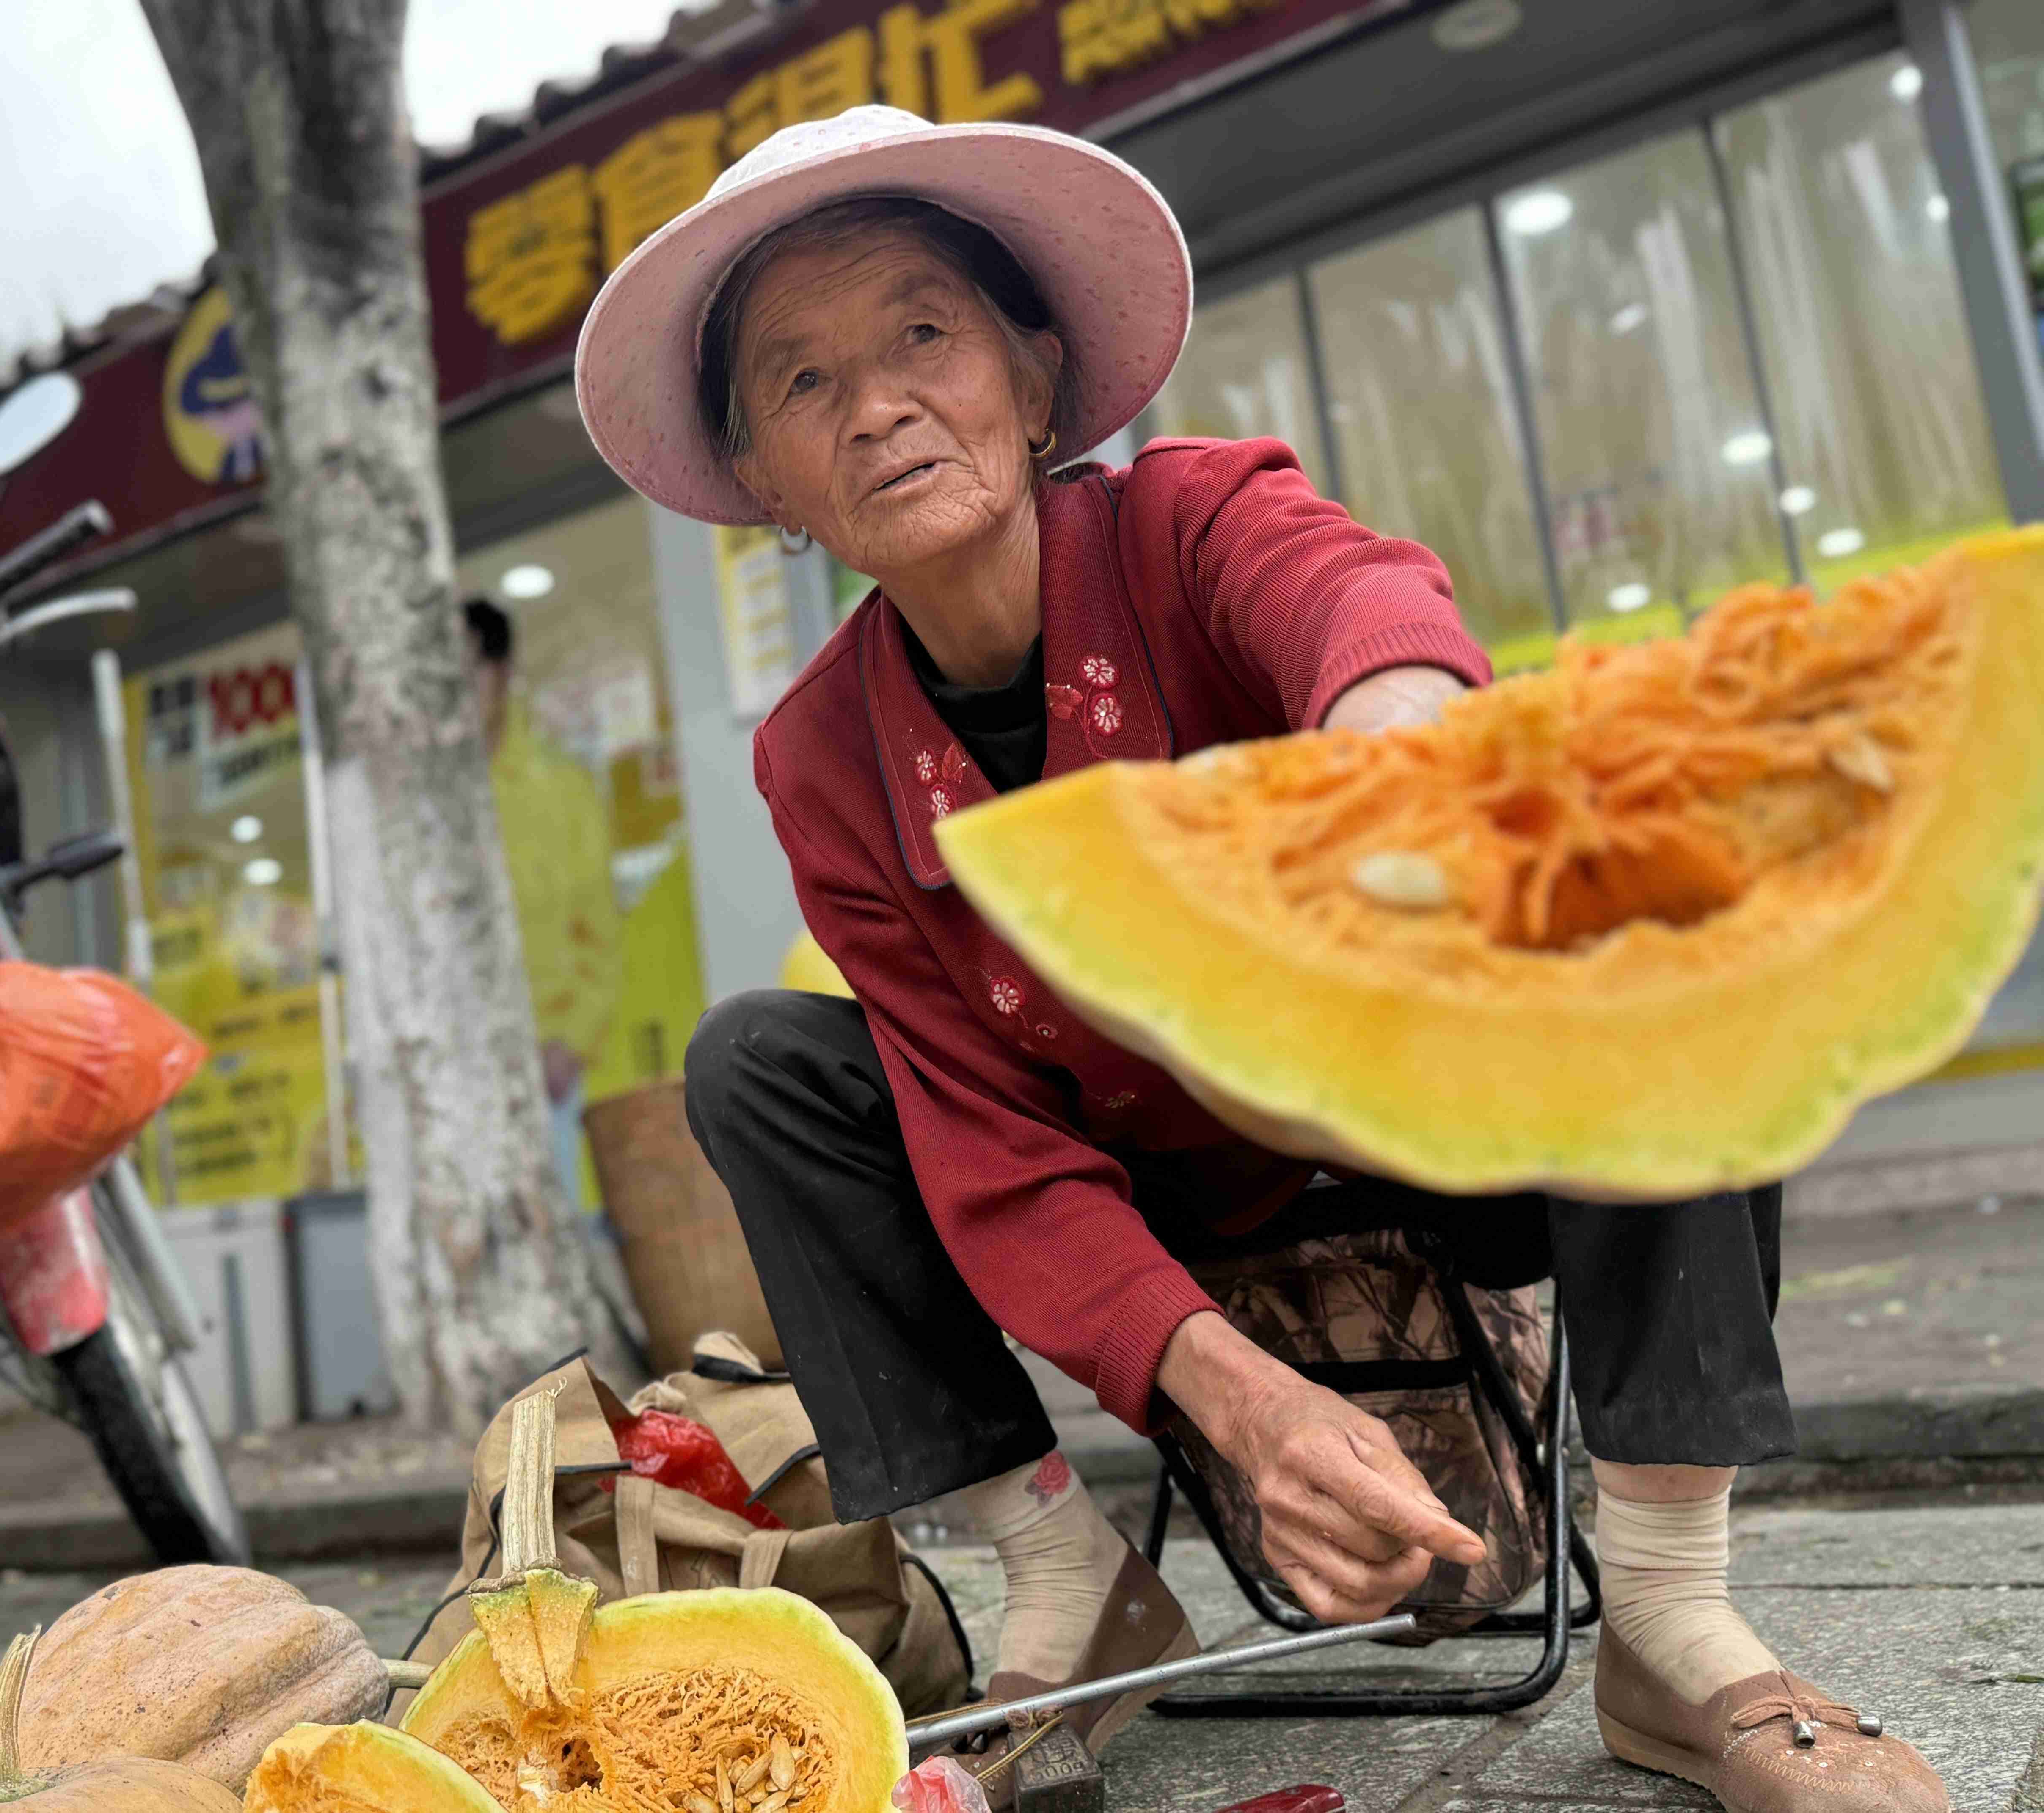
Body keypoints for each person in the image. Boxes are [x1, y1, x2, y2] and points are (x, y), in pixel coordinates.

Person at [573, 106, 1945, 1813]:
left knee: (1650, 879)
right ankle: (1071, 1584)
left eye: (924, 333)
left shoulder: (1195, 522)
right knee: (763, 1064)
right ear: (766, 484)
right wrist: (1239, 1401)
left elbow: (1361, 610)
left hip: (1428, 1125)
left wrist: (1402, 749)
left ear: (1039, 376)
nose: (875, 405)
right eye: (800, 382)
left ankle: (1673, 1624)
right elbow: (990, 1155)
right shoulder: (818, 758)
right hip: (1164, 1202)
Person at [465, 596, 621, 1210]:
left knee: (553, 1236)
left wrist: (572, 1043)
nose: (456, 691)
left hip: (542, 1064)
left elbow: (601, 934)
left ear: (501, 672)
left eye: (468, 670)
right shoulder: (428, 807)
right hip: (454, 1070)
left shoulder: (562, 789)